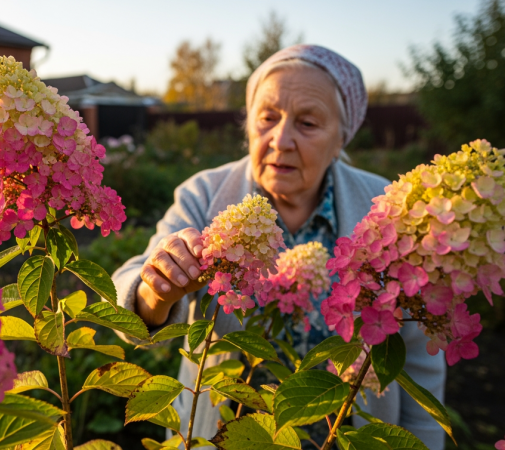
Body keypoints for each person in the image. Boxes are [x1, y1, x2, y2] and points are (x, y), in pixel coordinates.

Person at [112, 45, 446, 449]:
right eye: (267, 117)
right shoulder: (204, 194)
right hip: (224, 434)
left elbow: (419, 361)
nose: (280, 140)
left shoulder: (387, 208)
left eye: (307, 123)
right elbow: (130, 295)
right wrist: (155, 286)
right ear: (249, 124)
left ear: (342, 137)